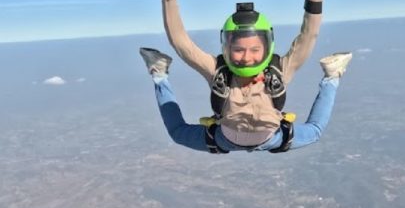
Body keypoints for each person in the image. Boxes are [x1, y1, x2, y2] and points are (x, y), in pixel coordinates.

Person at [140, 0, 352, 153]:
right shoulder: (218, 72)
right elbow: (181, 42)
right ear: (227, 49)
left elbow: (309, 34)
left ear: (267, 48)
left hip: (265, 138)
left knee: (315, 131)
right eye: (238, 50)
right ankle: (159, 74)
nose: (247, 57)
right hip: (230, 138)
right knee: (313, 131)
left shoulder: (279, 70)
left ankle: (332, 76)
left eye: (255, 50)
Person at [140, 48, 352, 153]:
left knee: (178, 132)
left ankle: (159, 72)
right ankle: (332, 76)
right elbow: (307, 38)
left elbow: (181, 42)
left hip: (226, 136)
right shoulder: (273, 74)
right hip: (268, 136)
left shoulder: (222, 75)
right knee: (314, 130)